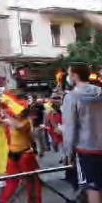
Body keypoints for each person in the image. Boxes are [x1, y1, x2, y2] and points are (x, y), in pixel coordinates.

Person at [62, 63, 102, 203]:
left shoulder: (72, 97)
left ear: (74, 76)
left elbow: (70, 128)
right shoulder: (100, 92)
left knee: (92, 186)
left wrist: (68, 153)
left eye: (69, 73)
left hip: (87, 150)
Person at [0, 108, 41, 203]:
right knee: (11, 181)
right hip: (13, 154)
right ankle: (5, 201)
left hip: (24, 154)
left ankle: (34, 201)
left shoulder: (26, 122)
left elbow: (18, 127)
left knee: (31, 182)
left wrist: (8, 118)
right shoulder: (12, 121)